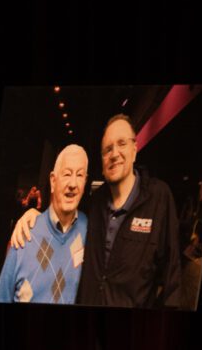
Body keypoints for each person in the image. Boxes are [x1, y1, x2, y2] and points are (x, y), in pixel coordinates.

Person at [11, 115, 181, 308]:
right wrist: (37, 215)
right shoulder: (94, 203)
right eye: (108, 149)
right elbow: (63, 217)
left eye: (122, 144)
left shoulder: (158, 197)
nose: (114, 154)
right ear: (102, 161)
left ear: (134, 151)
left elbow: (172, 280)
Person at [0, 145, 88, 304]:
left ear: (85, 182)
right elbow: (1, 297)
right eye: (66, 174)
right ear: (53, 180)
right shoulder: (25, 234)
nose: (73, 183)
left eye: (79, 175)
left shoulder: (89, 231)